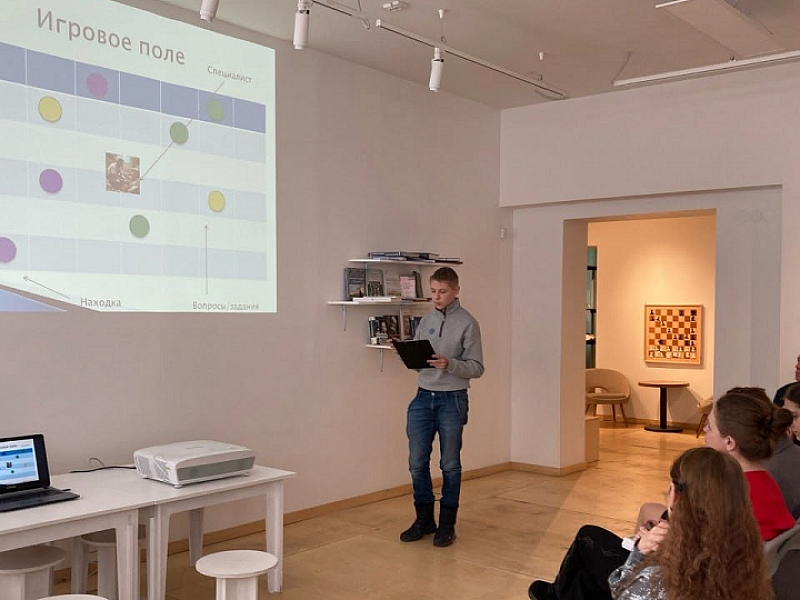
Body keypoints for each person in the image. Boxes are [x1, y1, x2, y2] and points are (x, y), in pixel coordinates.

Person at [527, 386, 794, 600]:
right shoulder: (760, 483)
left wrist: (643, 551)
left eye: (710, 426)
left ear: (730, 442)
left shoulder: (729, 490)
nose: (704, 430)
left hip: (683, 580)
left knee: (588, 540)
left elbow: (696, 554)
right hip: (723, 579)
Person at [608, 447, 774, 600]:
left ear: (674, 496)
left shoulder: (655, 582)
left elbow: (620, 591)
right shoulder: (747, 563)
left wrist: (638, 554)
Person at [398, 267, 484, 548]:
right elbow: (421, 365)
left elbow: (477, 368)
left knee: (449, 465)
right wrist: (409, 356)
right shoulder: (426, 320)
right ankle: (424, 521)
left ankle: (447, 526)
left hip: (452, 400)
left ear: (456, 290)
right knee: (416, 463)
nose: (436, 297)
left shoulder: (468, 323)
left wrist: (450, 364)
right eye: (433, 291)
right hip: (422, 398)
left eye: (442, 291)